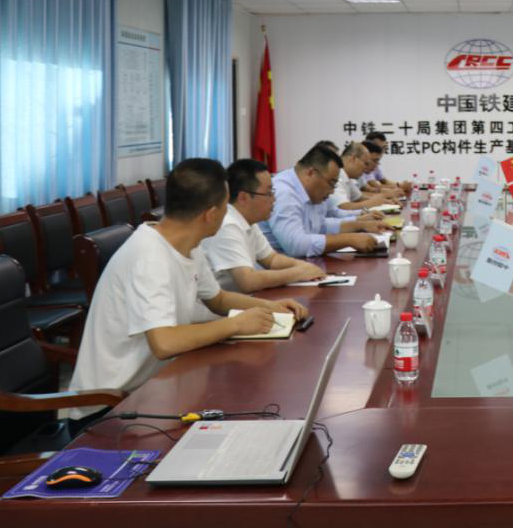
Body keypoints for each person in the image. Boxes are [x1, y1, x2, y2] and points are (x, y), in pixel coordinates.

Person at [68, 158, 309, 423]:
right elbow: (165, 343)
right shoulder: (149, 256)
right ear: (211, 214)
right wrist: (236, 324)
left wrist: (270, 307)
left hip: (157, 385)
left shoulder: (188, 244)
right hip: (111, 408)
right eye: (225, 206)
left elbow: (218, 299)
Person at [201, 159, 327, 292]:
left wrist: (303, 266)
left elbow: (271, 259)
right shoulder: (227, 224)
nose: (274, 199)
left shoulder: (247, 221)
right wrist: (298, 273)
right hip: (224, 304)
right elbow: (248, 281)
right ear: (243, 198)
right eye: (268, 193)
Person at [261, 144, 385, 256]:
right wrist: (349, 239)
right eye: (331, 183)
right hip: (275, 270)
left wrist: (361, 225)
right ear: (311, 173)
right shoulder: (284, 192)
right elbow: (295, 245)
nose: (332, 191)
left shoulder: (313, 192)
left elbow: (321, 226)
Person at [331, 141, 393, 211]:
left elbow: (359, 198)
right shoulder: (336, 175)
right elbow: (343, 207)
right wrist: (372, 202)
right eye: (365, 163)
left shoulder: (348, 177)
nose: (366, 168)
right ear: (353, 159)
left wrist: (384, 201)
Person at [361, 131, 412, 196]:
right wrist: (399, 187)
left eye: (384, 147)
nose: (381, 151)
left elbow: (382, 183)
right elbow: (374, 187)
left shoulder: (373, 163)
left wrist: (399, 186)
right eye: (379, 147)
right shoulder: (361, 168)